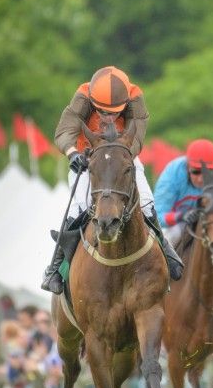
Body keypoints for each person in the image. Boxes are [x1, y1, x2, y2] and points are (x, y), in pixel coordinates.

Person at [42, 66, 183, 294]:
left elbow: (136, 140)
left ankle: (166, 250)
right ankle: (55, 268)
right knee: (79, 207)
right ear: (92, 100)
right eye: (102, 112)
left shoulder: (136, 98)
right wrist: (72, 153)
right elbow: (64, 131)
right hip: (87, 159)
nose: (108, 117)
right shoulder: (83, 95)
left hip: (122, 158)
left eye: (114, 113)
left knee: (146, 201)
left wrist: (120, 156)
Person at [153, 138, 213, 244]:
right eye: (196, 171)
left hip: (212, 226)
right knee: (173, 234)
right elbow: (157, 217)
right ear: (187, 166)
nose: (201, 179)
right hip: (178, 225)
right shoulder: (172, 174)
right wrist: (180, 216)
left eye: (207, 172)